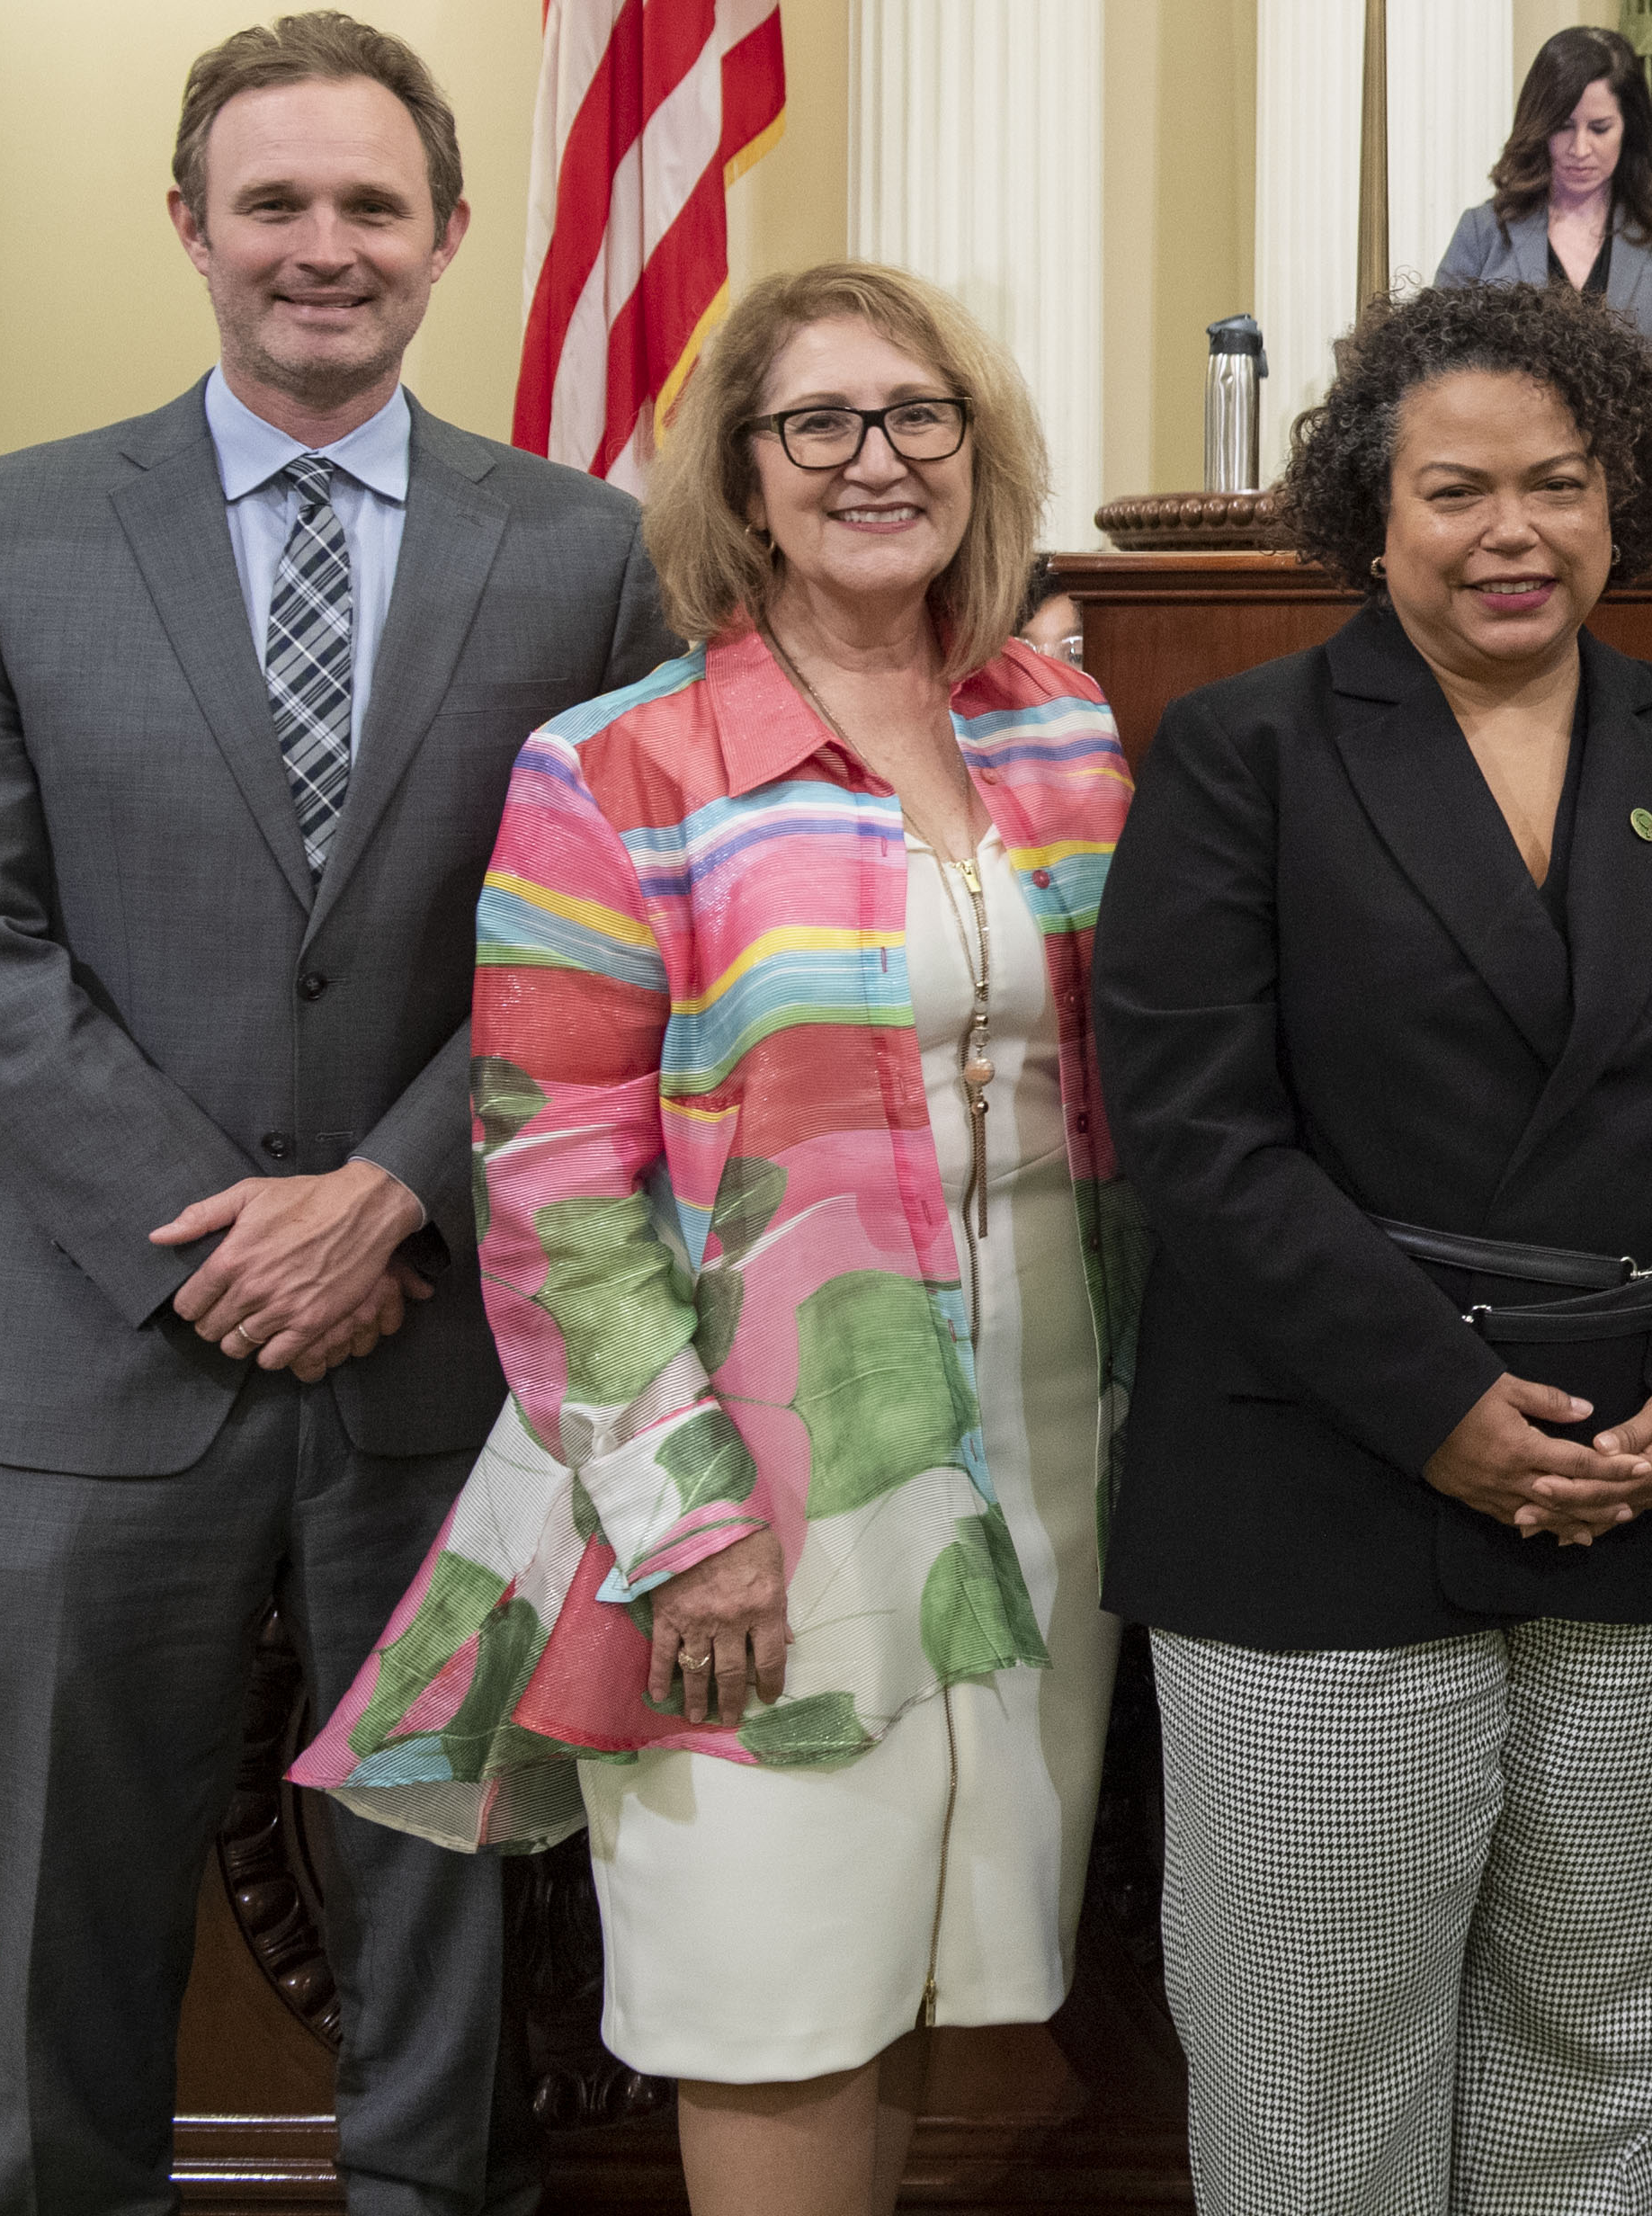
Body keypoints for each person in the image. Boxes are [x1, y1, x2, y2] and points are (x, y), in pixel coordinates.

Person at [0, 11, 665, 2216]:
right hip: (86, 1347)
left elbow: (595, 950)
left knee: (437, 1910)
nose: (325, 248)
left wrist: (382, 1200)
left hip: (441, 1359)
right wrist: (233, 1230)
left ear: (448, 235)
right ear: (192, 226)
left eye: (372, 206)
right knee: (71, 1912)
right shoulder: (0, 532)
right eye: (278, 203)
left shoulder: (585, 549)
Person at [298, 262, 1133, 2216]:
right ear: (741, 479)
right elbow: (552, 1187)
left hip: (1046, 1455)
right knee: (771, 1991)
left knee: (931, 1970)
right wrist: (690, 1522)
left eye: (919, 414)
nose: (876, 459)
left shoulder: (1057, 725)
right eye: (818, 423)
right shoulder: (618, 767)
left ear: (977, 449)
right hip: (768, 1477)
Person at [1097, 277, 1652, 2216]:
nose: (1511, 530)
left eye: (1558, 483)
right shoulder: (1240, 756)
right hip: (1319, 1483)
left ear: (1627, 505)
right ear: (1374, 510)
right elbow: (1197, 1132)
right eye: (1457, 490)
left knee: (1604, 2050)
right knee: (1311, 2081)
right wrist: (1440, 1398)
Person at [1437, 24, 1652, 398]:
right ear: (1538, 127)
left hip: (1632, 456)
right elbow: (1436, 378)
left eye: (1600, 129)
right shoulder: (1481, 233)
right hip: (1509, 453)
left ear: (1629, 130)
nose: (1580, 149)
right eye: (1563, 127)